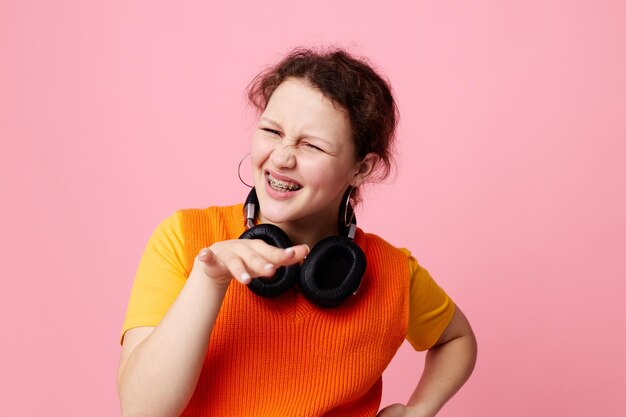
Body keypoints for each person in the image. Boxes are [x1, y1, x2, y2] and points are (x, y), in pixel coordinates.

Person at [117, 47, 477, 417]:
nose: (282, 157)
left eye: (311, 145)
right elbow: (142, 411)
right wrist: (209, 281)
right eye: (272, 131)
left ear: (361, 168)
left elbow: (457, 339)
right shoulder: (184, 238)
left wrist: (420, 409)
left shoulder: (394, 273)